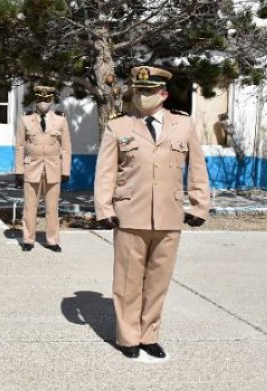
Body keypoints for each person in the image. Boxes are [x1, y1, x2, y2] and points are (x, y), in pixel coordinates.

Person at [94, 66, 210, 360]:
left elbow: (197, 168)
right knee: (128, 281)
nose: (143, 96)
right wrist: (104, 208)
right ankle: (128, 337)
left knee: (158, 282)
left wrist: (199, 205)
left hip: (169, 216)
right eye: (139, 91)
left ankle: (149, 335)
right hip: (130, 213)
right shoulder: (118, 127)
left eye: (149, 91)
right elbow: (105, 172)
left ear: (164, 94)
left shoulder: (183, 125)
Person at [14, 85, 72, 252]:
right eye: (40, 99)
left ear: (52, 100)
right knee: (29, 206)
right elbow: (19, 146)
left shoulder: (60, 120)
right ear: (35, 100)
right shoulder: (25, 119)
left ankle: (52, 240)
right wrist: (19, 171)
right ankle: (28, 239)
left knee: (52, 208)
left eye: (47, 99)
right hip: (32, 167)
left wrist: (65, 171)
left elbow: (66, 147)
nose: (43, 102)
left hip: (53, 168)